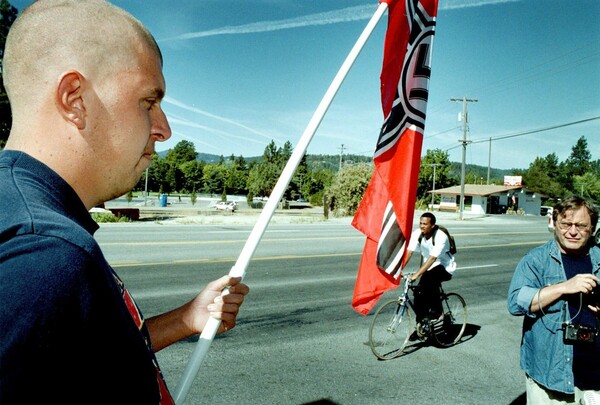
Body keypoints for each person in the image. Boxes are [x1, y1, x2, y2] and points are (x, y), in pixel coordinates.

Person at [0, 1, 249, 403]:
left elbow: (80, 362)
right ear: (75, 98)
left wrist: (185, 320)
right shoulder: (46, 253)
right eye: (149, 102)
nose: (164, 129)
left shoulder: (21, 210)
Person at [508, 195, 600, 403]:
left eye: (581, 225)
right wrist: (563, 287)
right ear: (554, 224)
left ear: (592, 227)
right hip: (552, 379)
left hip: (596, 379)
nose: (573, 231)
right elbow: (516, 302)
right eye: (566, 224)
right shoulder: (536, 260)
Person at [404, 212, 457, 323]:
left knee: (428, 278)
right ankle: (421, 325)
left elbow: (432, 258)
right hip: (428, 267)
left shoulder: (440, 236)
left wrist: (417, 274)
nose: (422, 226)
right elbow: (409, 252)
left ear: (432, 225)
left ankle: (437, 312)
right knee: (418, 292)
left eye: (425, 224)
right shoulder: (418, 233)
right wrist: (398, 269)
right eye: (421, 223)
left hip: (445, 266)